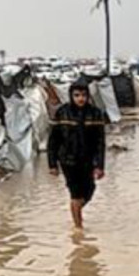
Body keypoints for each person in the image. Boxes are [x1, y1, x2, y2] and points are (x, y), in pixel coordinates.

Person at [48, 81, 107, 230]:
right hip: (68, 160)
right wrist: (52, 164)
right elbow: (53, 141)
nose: (80, 98)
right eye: (77, 95)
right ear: (71, 96)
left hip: (87, 160)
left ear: (88, 96)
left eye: (83, 95)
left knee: (90, 190)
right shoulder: (62, 112)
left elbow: (100, 142)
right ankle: (78, 227)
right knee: (75, 193)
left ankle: (76, 210)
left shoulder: (95, 113)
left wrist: (100, 166)